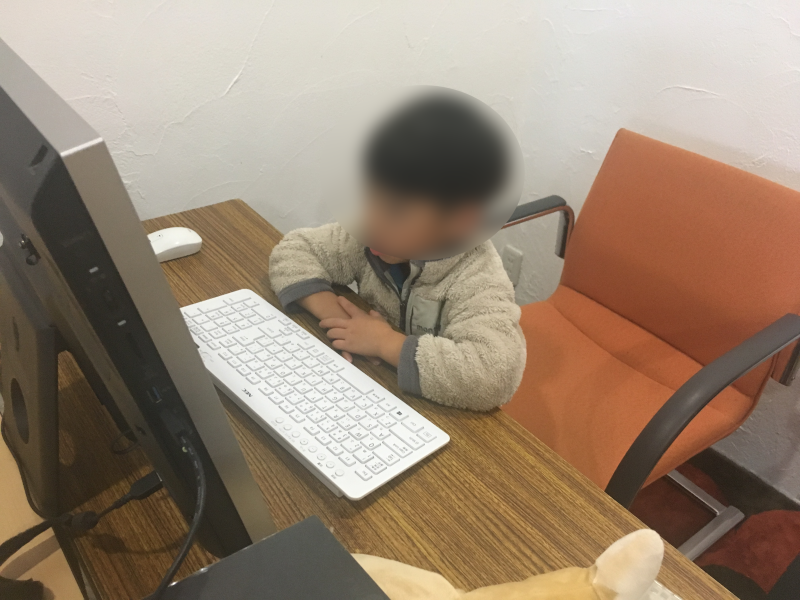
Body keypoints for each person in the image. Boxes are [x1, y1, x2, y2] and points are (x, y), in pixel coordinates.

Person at [268, 90, 526, 410]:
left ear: (460, 220)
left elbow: (492, 376)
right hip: (374, 392)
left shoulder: (478, 279)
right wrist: (339, 319)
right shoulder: (373, 237)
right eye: (368, 196)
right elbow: (294, 252)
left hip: (439, 416)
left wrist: (385, 343)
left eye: (394, 210)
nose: (370, 221)